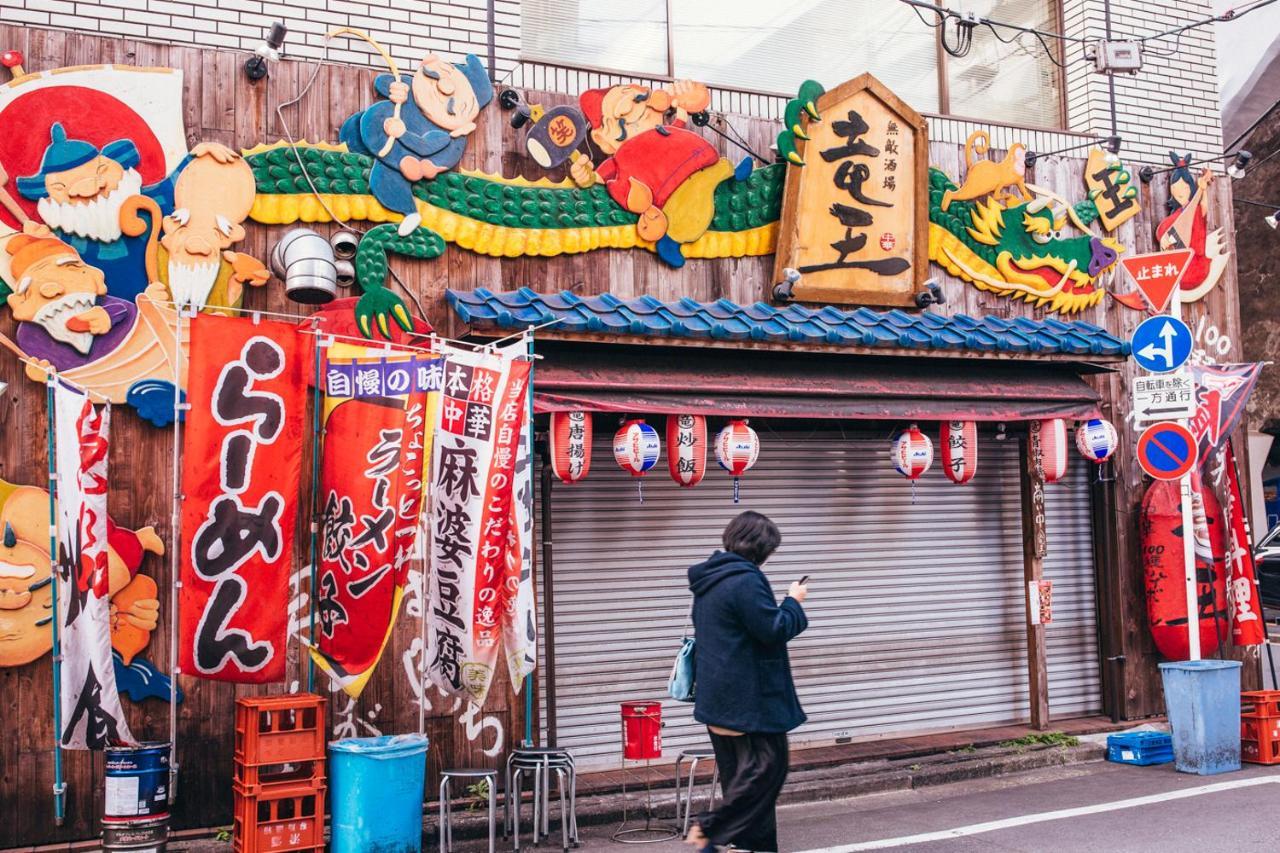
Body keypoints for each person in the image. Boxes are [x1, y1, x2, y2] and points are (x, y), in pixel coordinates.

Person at [686, 511, 808, 853]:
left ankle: (751, 845)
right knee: (768, 773)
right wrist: (793, 602)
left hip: (717, 700)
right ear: (761, 549)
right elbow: (773, 630)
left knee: (741, 781)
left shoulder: (709, 580)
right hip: (750, 702)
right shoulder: (747, 579)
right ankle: (711, 829)